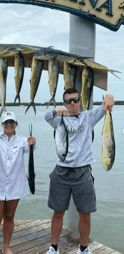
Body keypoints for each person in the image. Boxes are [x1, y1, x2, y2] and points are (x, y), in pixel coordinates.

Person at [44, 88, 114, 254]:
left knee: (85, 213)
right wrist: (55, 111)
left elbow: (107, 104)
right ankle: (53, 248)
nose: (72, 104)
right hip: (61, 171)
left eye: (75, 100)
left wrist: (109, 97)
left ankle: (83, 248)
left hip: (83, 171)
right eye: (68, 101)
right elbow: (46, 117)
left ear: (80, 101)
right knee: (58, 211)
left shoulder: (88, 117)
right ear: (64, 103)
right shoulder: (58, 119)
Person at [0, 111, 37, 254]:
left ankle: (6, 247)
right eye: (6, 122)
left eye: (12, 122)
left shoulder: (21, 141)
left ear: (16, 124)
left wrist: (32, 142)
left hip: (15, 186)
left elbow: (31, 147)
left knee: (9, 217)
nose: (9, 125)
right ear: (2, 124)